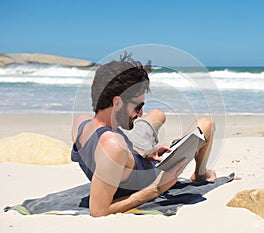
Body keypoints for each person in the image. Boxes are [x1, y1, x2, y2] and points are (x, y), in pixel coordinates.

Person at [71, 54, 216, 217]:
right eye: (138, 106)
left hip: (135, 152)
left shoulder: (81, 123)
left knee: (157, 115)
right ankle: (200, 174)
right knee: (206, 124)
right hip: (148, 172)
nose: (140, 113)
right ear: (117, 103)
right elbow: (98, 211)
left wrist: (146, 154)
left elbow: (115, 155)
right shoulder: (113, 146)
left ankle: (148, 145)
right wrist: (157, 189)